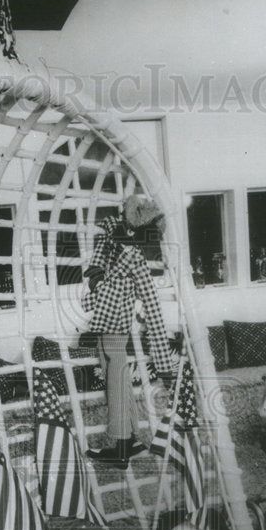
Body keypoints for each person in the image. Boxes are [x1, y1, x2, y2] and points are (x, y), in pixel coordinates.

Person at [82, 195, 176, 469]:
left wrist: (164, 365)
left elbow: (154, 313)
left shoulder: (134, 259)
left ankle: (121, 446)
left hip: (114, 325)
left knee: (115, 379)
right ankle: (132, 438)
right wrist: (97, 276)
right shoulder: (113, 241)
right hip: (104, 323)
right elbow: (106, 242)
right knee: (119, 378)